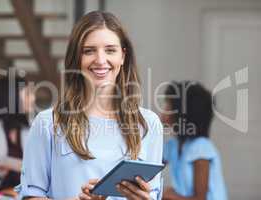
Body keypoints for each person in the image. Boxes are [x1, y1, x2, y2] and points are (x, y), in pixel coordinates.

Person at [16, 11, 164, 200]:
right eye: (89, 51)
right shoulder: (48, 122)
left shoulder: (149, 124)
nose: (100, 60)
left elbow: (155, 195)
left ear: (123, 56)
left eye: (110, 50)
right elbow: (31, 195)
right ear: (76, 58)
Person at [161, 81, 228, 200]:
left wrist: (168, 195)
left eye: (169, 106)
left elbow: (200, 198)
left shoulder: (201, 147)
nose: (163, 112)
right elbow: (148, 164)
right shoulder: (173, 145)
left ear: (183, 114)